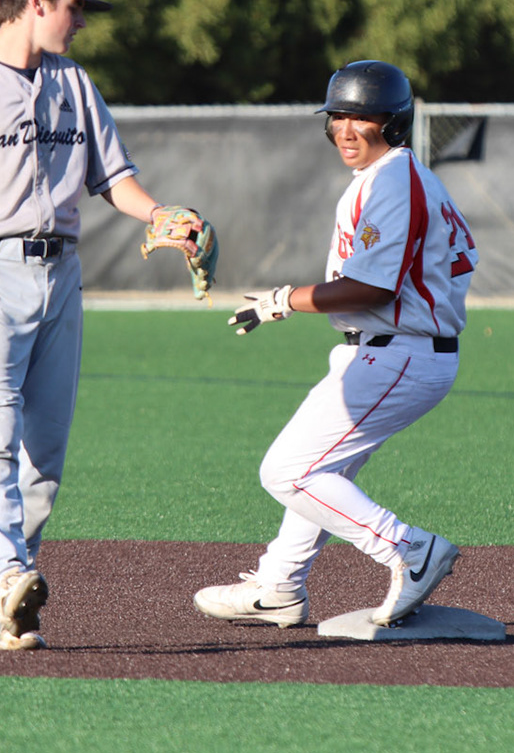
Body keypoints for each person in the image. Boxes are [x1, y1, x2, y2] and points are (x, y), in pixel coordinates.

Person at [0, 0, 202, 651]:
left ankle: (6, 603)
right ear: (36, 2)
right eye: (73, 6)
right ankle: (5, 575)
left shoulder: (73, 83)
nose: (80, 21)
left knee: (45, 459)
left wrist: (161, 215)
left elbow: (113, 178)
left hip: (62, 276)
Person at [197, 60, 477, 629]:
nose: (345, 129)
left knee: (287, 471)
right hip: (387, 348)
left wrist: (283, 300)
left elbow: (374, 286)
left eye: (361, 117)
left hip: (399, 352)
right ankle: (280, 585)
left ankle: (410, 551)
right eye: (337, 117)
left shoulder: (394, 181)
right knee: (325, 470)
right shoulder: (390, 177)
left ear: (393, 123)